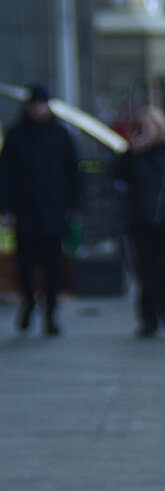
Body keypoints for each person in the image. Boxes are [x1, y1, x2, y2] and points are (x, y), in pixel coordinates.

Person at [0, 84, 82, 336]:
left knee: (53, 264)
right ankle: (28, 302)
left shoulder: (60, 135)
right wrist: (7, 208)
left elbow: (73, 174)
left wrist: (74, 206)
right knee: (25, 263)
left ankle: (51, 312)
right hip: (26, 211)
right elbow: (5, 175)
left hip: (52, 212)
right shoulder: (16, 136)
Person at [114, 105, 165, 337]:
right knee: (145, 272)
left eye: (150, 127)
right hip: (140, 221)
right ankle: (149, 319)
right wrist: (133, 152)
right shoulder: (132, 156)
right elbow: (117, 177)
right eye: (141, 128)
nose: (146, 133)